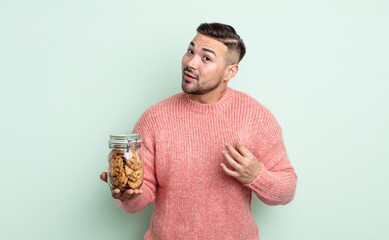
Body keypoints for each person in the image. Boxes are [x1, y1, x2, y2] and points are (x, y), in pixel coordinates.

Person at [101, 22, 297, 240]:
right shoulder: (155, 118)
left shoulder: (255, 117)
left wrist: (257, 176)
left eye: (206, 58)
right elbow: (141, 193)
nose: (190, 63)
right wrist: (127, 197)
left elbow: (287, 190)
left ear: (229, 72)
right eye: (190, 51)